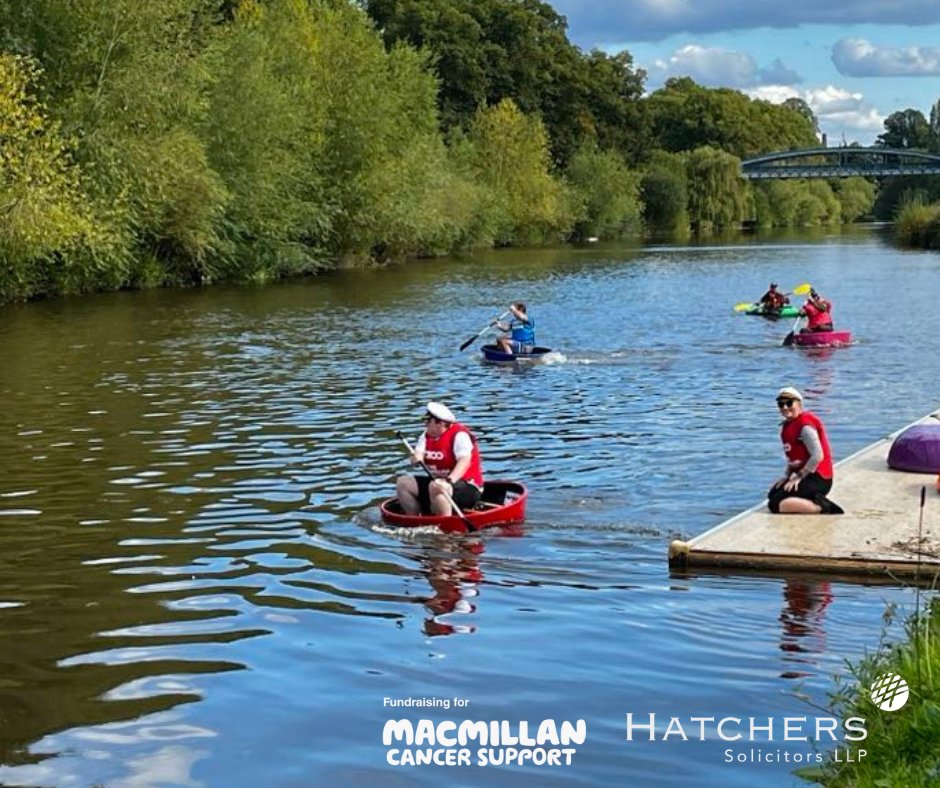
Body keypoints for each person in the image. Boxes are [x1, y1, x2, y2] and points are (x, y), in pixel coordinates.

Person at [396, 401, 484, 516]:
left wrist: (449, 481)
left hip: (467, 486)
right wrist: (416, 458)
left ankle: (444, 527)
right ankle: (415, 520)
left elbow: (464, 461)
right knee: (402, 483)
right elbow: (417, 456)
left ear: (440, 423)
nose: (425, 424)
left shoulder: (459, 435)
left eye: (428, 421)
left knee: (437, 486)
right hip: (437, 485)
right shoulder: (425, 436)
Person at [768, 387, 843, 515]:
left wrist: (799, 476)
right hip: (806, 475)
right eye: (781, 404)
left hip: (818, 479)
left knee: (775, 505)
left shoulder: (805, 426)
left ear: (799, 404)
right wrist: (787, 476)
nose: (785, 407)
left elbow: (817, 455)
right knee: (773, 493)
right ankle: (811, 498)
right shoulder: (788, 425)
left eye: (789, 403)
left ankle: (823, 507)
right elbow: (795, 460)